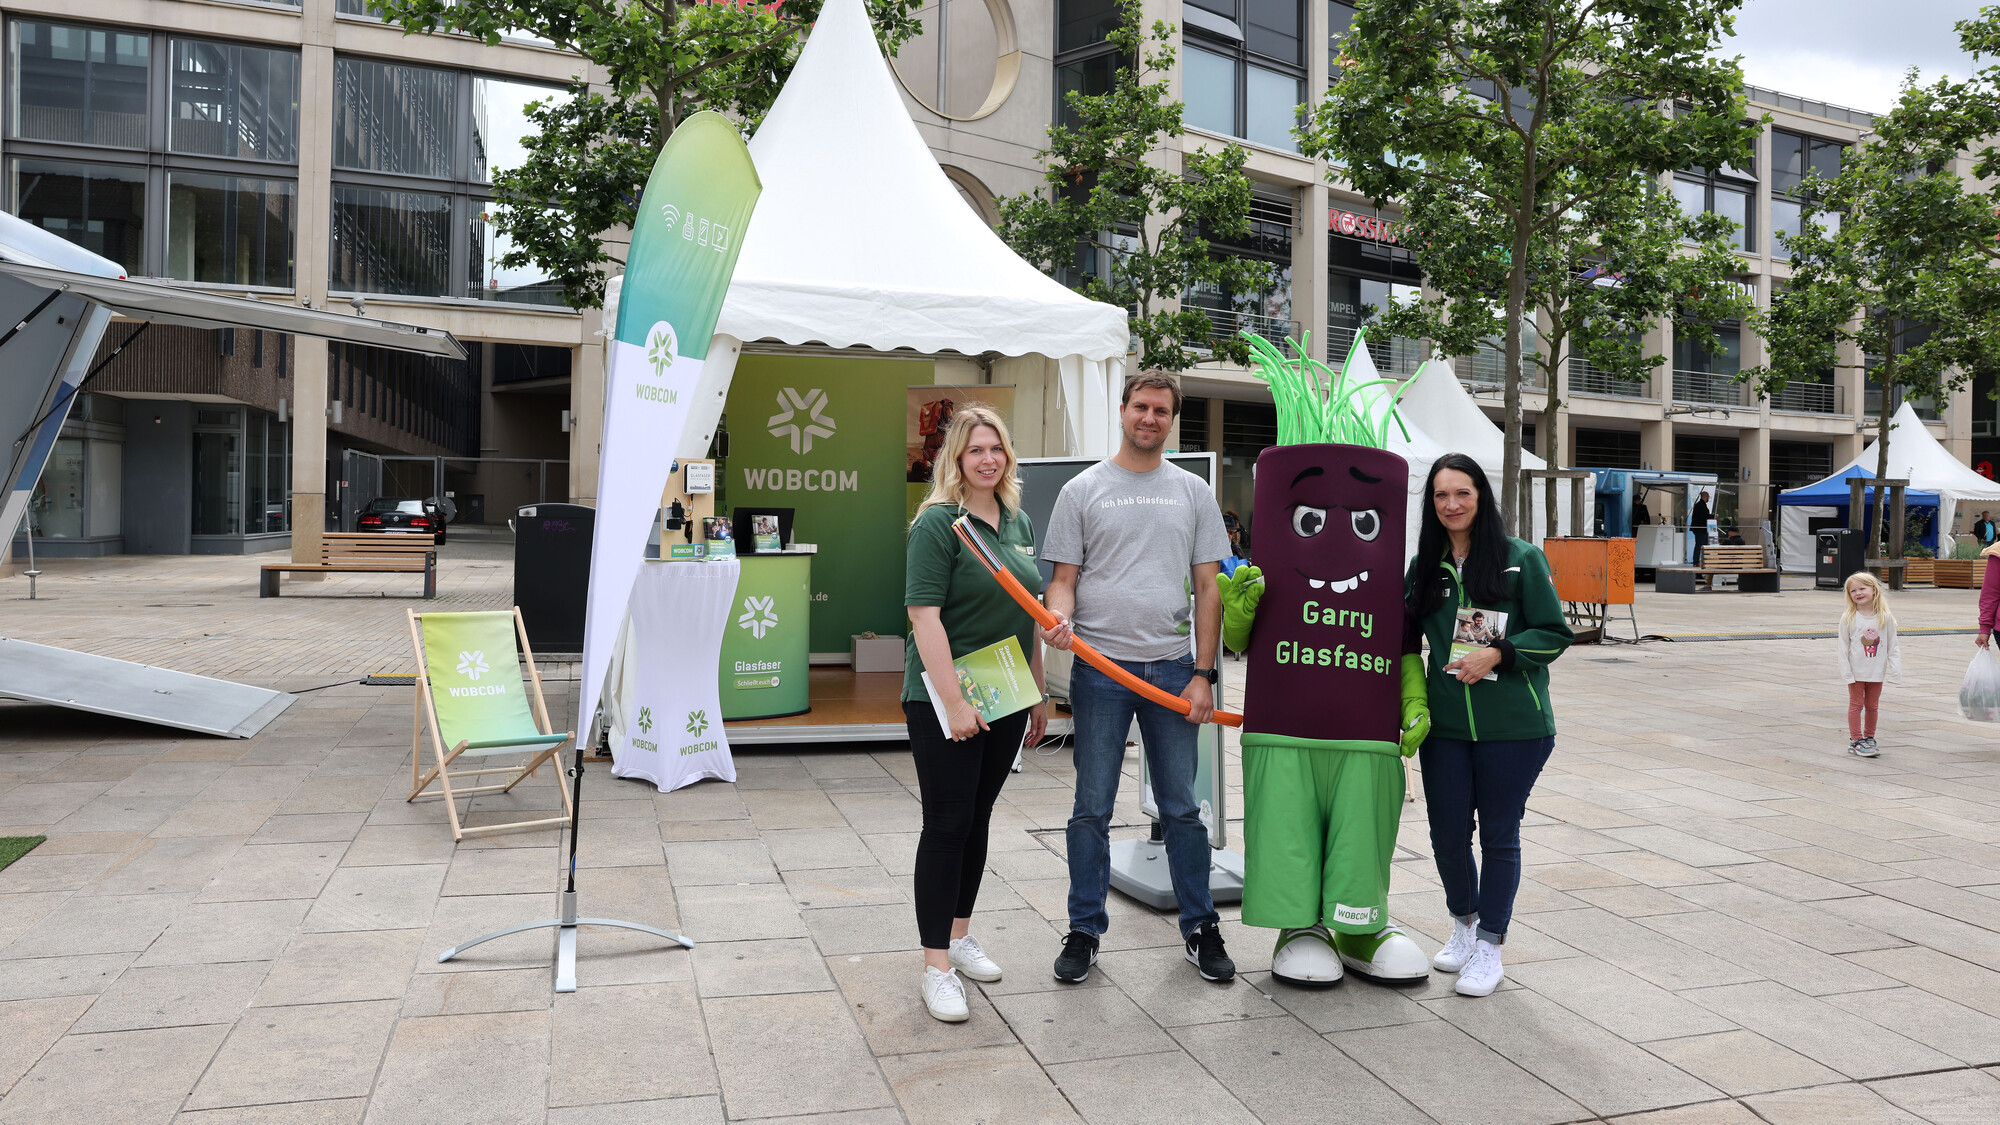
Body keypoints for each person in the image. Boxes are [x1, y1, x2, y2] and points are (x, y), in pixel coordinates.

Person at [1041, 370, 1235, 984]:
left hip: (1175, 670)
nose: (1149, 418)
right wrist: (1060, 618)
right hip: (1100, 670)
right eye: (1140, 407)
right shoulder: (1082, 490)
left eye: (1161, 411)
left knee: (1182, 808)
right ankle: (1083, 930)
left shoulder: (1193, 492)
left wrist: (1204, 674)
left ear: (1172, 419)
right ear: (1122, 410)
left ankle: (1201, 927)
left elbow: (1210, 588)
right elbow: (1063, 580)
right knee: (1091, 808)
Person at [1404, 453, 1573, 998]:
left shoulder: (1519, 559)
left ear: (1482, 497)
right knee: (1447, 835)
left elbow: (1553, 633)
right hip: (1447, 728)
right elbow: (1402, 639)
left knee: (1500, 835)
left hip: (1514, 729)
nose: (1451, 504)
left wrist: (1499, 654)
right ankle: (1465, 923)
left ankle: (1492, 947)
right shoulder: (1424, 566)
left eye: (1463, 493)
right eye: (1440, 495)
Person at [903, 406, 1049, 1023]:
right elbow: (923, 616)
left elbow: (1031, 608)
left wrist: (1038, 690)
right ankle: (936, 966)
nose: (988, 459)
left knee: (979, 818)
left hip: (1006, 686)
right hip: (945, 691)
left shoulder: (1016, 521)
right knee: (947, 823)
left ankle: (959, 934)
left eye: (996, 449)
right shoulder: (939, 524)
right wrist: (955, 702)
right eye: (975, 451)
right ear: (955, 460)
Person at [1838, 571, 1899, 759]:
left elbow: (1892, 645)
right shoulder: (1848, 618)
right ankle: (1856, 740)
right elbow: (1843, 648)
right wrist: (1846, 672)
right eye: (1853, 591)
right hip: (1856, 672)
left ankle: (1869, 737)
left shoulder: (1885, 617)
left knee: (1872, 705)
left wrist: (1896, 670)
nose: (1858, 593)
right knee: (1856, 705)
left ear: (1874, 590)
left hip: (1876, 671)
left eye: (1862, 588)